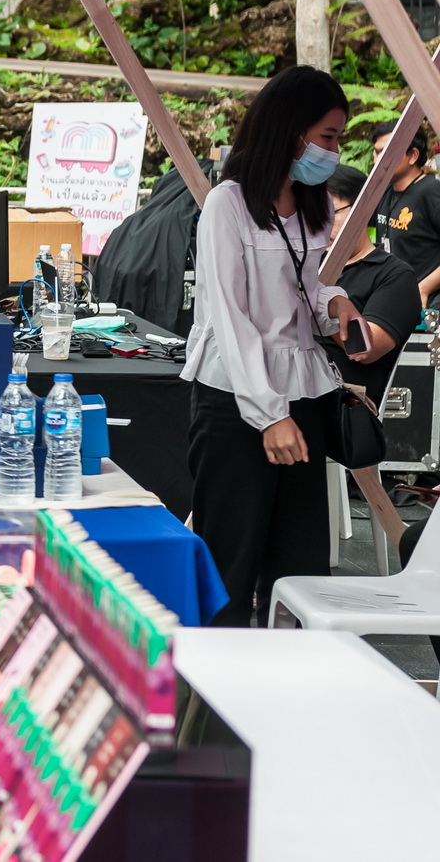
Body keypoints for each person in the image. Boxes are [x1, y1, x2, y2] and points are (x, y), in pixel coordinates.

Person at [183, 65, 369, 629]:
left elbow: (301, 291)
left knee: (301, 564)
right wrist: (266, 415)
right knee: (229, 565)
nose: (334, 152)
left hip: (304, 397)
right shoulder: (228, 205)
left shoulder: (314, 208)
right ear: (290, 131)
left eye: (337, 138)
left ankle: (290, 689)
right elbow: (230, 317)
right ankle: (212, 706)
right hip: (239, 401)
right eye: (328, 137)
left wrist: (333, 303)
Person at [324, 164, 421, 406]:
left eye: (330, 212)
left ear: (363, 211)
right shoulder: (306, 267)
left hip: (345, 408)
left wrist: (316, 302)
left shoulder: (394, 275)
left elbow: (364, 348)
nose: (319, 223)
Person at [370, 120, 440, 307]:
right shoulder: (385, 192)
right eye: (376, 152)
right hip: (396, 299)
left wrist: (424, 288)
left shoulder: (432, 192)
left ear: (413, 155)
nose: (378, 160)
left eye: (386, 152)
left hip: (429, 305)